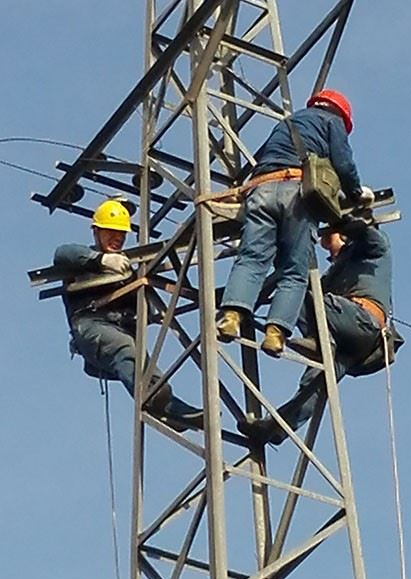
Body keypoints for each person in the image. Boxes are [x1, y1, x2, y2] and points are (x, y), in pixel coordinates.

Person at [216, 89, 374, 357]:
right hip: (296, 193)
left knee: (251, 258)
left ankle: (231, 315)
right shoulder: (332, 122)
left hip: (261, 189)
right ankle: (275, 333)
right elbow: (343, 163)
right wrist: (356, 192)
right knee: (293, 270)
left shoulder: (287, 122)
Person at [237, 217, 392, 446]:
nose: (329, 251)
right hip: (350, 342)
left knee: (294, 287)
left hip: (360, 321)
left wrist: (343, 221)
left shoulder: (372, 251)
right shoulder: (335, 272)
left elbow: (369, 236)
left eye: (332, 244)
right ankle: (276, 428)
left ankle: (318, 341)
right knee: (316, 385)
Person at [53, 199, 203, 431]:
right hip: (92, 325)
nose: (117, 238)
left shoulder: (127, 267)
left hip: (122, 329)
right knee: (124, 348)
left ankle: (171, 410)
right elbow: (62, 253)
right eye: (111, 232)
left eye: (121, 234)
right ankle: (153, 398)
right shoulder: (83, 259)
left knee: (145, 365)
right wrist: (100, 260)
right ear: (96, 231)